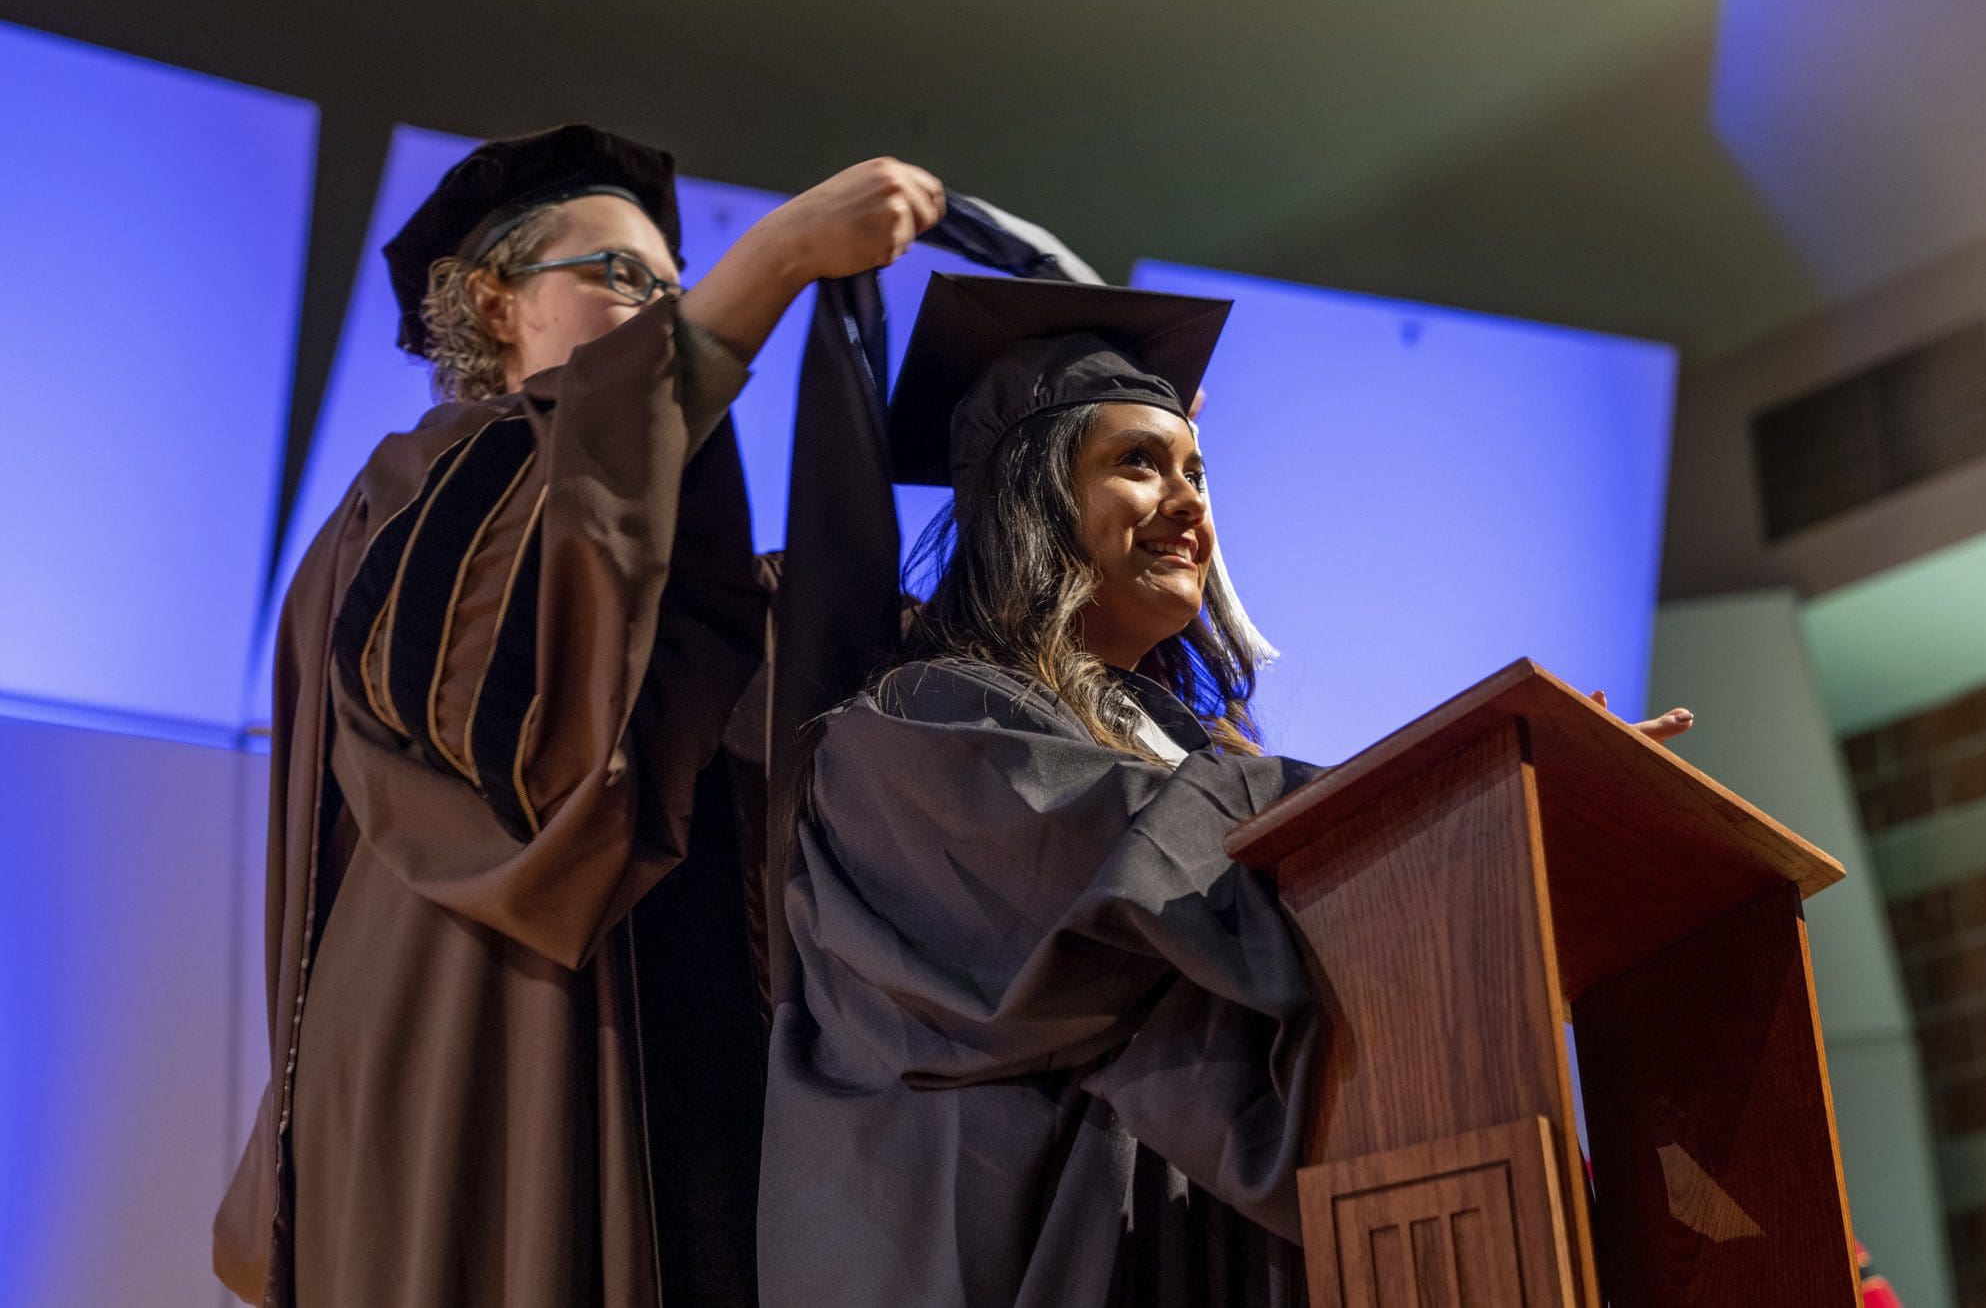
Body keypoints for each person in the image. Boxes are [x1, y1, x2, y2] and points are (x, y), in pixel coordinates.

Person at [755, 273, 1693, 1306]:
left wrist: (1499, 805)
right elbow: (1127, 872)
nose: (1189, 501)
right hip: (1003, 1248)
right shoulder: (912, 729)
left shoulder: (1175, 737)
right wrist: (1460, 784)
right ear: (1028, 496)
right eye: (1137, 463)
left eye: (1196, 469)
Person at [213, 123, 945, 1308]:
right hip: (486, 1028)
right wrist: (767, 263)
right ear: (495, 304)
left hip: (685, 1045)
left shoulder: (676, 572)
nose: (657, 304)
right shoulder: (427, 489)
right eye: (617, 274)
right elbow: (526, 730)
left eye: (671, 284)